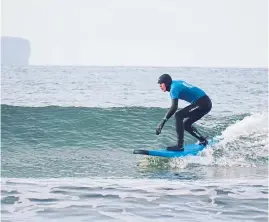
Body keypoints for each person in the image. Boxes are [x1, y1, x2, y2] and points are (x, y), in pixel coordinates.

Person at [156, 74, 212, 151]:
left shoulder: (174, 89)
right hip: (204, 102)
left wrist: (162, 122)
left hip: (202, 103)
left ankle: (180, 146)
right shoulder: (175, 83)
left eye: (161, 84)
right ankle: (203, 140)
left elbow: (174, 107)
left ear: (166, 83)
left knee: (178, 115)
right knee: (186, 124)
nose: (160, 86)